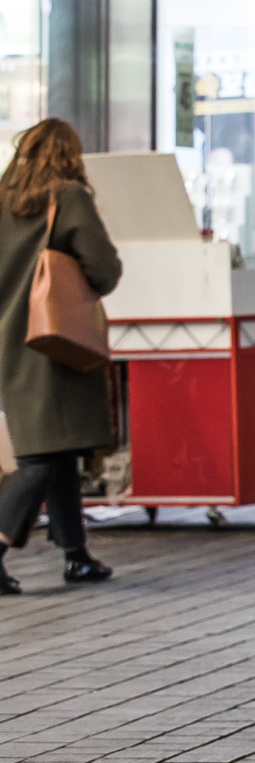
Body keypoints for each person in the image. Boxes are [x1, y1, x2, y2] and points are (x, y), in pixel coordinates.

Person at [0, 119, 122, 593]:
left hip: (10, 342)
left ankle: (76, 555)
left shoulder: (2, 199)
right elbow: (104, 267)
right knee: (40, 458)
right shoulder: (66, 196)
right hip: (52, 343)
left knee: (59, 449)